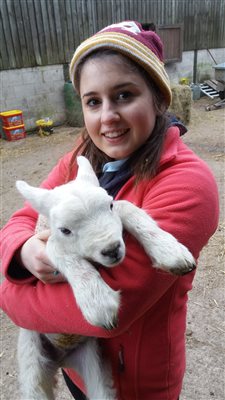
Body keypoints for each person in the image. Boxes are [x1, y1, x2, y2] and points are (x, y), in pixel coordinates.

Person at [0, 21, 219, 400]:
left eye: (124, 95)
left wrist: (9, 298)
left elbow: (113, 306)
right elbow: (19, 222)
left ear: (158, 97)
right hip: (85, 371)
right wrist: (24, 252)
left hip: (136, 383)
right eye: (93, 101)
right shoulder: (79, 161)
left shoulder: (188, 183)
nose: (107, 117)